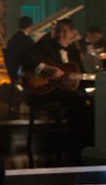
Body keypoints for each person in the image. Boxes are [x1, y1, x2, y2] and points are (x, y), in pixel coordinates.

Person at [23, 18, 93, 160]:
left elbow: (81, 77)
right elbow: (26, 58)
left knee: (92, 101)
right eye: (57, 31)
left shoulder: (74, 51)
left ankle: (90, 145)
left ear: (73, 34)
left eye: (64, 31)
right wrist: (46, 68)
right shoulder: (44, 45)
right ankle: (78, 147)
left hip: (66, 92)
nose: (60, 34)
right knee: (76, 100)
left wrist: (98, 82)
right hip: (44, 91)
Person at [4, 16, 35, 84]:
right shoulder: (27, 41)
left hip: (11, 70)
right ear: (29, 27)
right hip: (22, 72)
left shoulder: (12, 39)